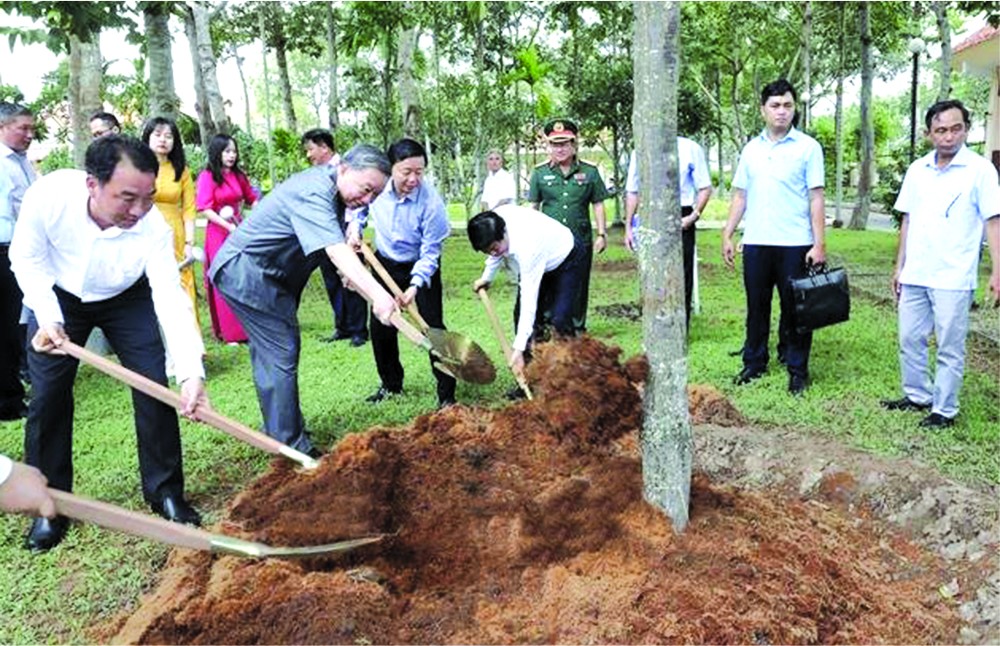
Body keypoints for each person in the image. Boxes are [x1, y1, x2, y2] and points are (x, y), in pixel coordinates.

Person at [9, 135, 209, 551]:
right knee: (47, 397)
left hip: (126, 298)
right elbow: (25, 259)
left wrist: (191, 371)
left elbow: (169, 296)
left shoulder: (150, 226)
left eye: (148, 198)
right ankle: (51, 504)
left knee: (153, 383)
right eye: (126, 198)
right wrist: (47, 314)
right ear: (92, 185)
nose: (139, 210)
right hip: (60, 295)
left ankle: (165, 491)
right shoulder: (47, 197)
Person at [209, 144, 397, 458]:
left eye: (374, 196)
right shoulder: (314, 191)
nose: (366, 200)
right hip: (249, 271)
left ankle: (283, 431)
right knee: (281, 349)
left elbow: (335, 255)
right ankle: (291, 447)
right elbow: (335, 249)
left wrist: (356, 280)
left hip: (272, 276)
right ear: (345, 169)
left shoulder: (331, 194)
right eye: (366, 189)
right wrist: (378, 295)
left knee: (275, 353)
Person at [880, 99, 1000, 428]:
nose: (949, 136)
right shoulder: (918, 170)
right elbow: (907, 219)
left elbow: (994, 222)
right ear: (928, 133)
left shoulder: (981, 171)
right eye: (941, 130)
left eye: (956, 128)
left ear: (966, 129)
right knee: (909, 338)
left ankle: (943, 410)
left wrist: (998, 272)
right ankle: (918, 394)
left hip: (954, 276)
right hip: (916, 272)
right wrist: (899, 266)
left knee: (949, 345)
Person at [721, 79, 826, 396]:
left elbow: (816, 197)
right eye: (775, 106)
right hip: (756, 243)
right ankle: (754, 362)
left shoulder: (808, 148)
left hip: (796, 243)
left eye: (788, 105)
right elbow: (741, 195)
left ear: (795, 108)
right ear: (763, 110)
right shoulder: (752, 149)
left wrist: (819, 243)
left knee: (796, 310)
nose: (782, 112)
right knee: (757, 306)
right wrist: (728, 233)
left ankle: (797, 369)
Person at [363, 138, 456, 409]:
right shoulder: (377, 189)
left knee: (433, 327)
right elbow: (358, 206)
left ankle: (447, 394)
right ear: (391, 168)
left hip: (421, 266)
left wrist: (415, 286)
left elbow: (431, 252)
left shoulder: (432, 204)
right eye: (407, 172)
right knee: (381, 326)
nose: (414, 179)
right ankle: (391, 384)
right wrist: (354, 229)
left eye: (420, 172)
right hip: (385, 263)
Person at [468, 205, 584, 382]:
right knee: (518, 315)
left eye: (494, 247)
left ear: (504, 232)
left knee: (560, 319)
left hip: (567, 257)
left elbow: (529, 301)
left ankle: (569, 377)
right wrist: (487, 278)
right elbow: (494, 254)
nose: (492, 253)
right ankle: (528, 377)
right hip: (540, 259)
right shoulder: (493, 222)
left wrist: (518, 348)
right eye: (486, 250)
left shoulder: (528, 246)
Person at [528, 118, 609, 333]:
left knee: (579, 284)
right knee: (548, 282)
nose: (560, 149)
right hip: (548, 242)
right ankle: (547, 324)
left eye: (565, 143)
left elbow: (598, 204)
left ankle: (576, 326)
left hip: (579, 240)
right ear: (548, 146)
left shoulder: (590, 172)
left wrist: (601, 234)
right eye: (555, 144)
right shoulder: (539, 173)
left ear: (574, 145)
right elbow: (533, 206)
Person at [624, 137, 713, 328]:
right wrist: (628, 227)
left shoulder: (690, 148)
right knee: (653, 271)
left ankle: (681, 325)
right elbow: (633, 191)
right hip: (650, 213)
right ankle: (657, 322)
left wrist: (694, 216)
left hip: (681, 214)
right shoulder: (640, 149)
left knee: (681, 272)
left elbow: (705, 187)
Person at [301, 129, 369, 347]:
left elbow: (359, 201)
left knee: (352, 278)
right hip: (323, 233)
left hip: (346, 231)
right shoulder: (317, 174)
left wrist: (355, 229)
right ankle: (343, 326)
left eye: (311, 149)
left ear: (324, 147)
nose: (308, 155)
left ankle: (359, 330)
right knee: (332, 280)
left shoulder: (346, 168)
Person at [196, 134, 257, 344]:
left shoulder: (239, 175)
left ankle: (248, 328)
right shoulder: (207, 176)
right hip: (219, 233)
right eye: (227, 151)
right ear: (217, 152)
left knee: (244, 278)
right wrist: (228, 226)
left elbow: (252, 199)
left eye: (234, 151)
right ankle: (230, 332)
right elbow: (205, 208)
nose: (232, 155)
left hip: (239, 229)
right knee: (225, 278)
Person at [142, 116, 200, 323]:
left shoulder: (181, 170)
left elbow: (189, 209)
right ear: (147, 138)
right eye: (157, 135)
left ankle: (192, 345)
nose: (163, 140)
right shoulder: (139, 168)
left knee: (182, 280)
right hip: (145, 232)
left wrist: (189, 243)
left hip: (176, 233)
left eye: (168, 136)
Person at [0, 102, 36, 421]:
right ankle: (8, 402)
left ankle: (16, 388)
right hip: (4, 249)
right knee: (6, 327)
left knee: (17, 323)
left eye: (31, 128)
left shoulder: (23, 162)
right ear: (2, 128)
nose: (29, 134)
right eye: (22, 128)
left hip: (20, 248)